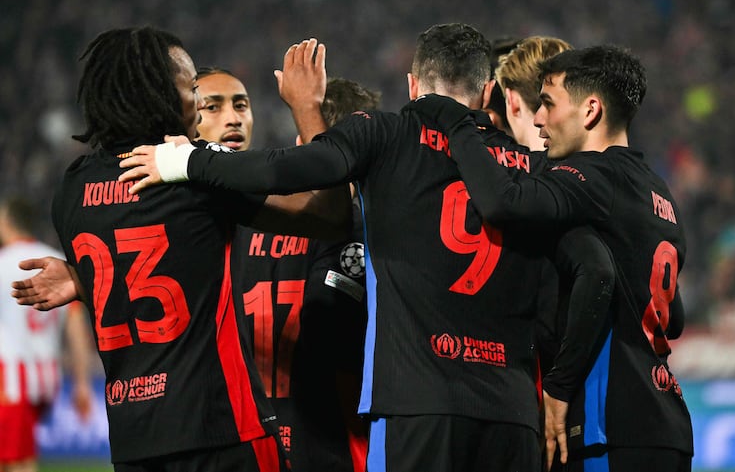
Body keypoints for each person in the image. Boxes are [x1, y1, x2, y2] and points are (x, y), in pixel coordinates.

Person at [118, 23, 547, 472]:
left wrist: (187, 159)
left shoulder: (387, 136)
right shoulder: (532, 170)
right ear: (487, 92)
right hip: (512, 411)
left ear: (412, 84)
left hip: (418, 403)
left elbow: (298, 170)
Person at [15, 26, 351, 472]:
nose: (197, 99)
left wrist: (83, 277)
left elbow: (143, 252)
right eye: (190, 87)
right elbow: (329, 214)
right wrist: (307, 108)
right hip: (222, 428)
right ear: (157, 92)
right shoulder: (189, 169)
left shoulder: (72, 188)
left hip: (134, 440)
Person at [429, 44, 693, 471]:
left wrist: (456, 125)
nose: (538, 118)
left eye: (549, 104)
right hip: (667, 424)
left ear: (590, 111)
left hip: (610, 426)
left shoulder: (593, 175)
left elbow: (503, 202)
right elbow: (673, 317)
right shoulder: (659, 193)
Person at [195, 65, 374, 472]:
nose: (234, 117)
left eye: (242, 105)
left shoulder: (268, 219)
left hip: (306, 444)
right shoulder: (207, 227)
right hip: (258, 442)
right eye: (214, 106)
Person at [0, 195, 93, 472]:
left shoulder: (3, 263)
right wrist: (82, 383)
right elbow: (77, 330)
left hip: (10, 379)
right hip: (45, 378)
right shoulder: (60, 264)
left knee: (17, 462)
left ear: (7, 222)